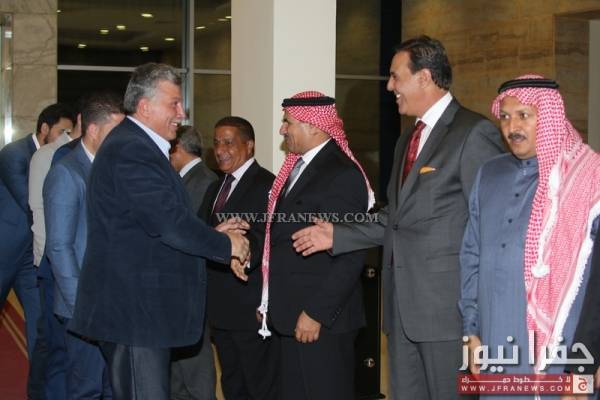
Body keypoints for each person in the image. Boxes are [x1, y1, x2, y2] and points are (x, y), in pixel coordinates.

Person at [291, 36, 504, 399]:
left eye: (395, 76)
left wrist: (480, 315)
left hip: (446, 313)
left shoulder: (473, 133)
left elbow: (491, 227)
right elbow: (396, 217)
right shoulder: (407, 139)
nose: (389, 86)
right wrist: (339, 235)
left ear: (424, 77)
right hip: (401, 311)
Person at [68, 62, 249, 400]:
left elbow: (153, 221)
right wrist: (227, 244)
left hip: (141, 312)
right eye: (174, 104)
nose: (182, 113)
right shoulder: (132, 149)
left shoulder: (138, 146)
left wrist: (212, 232)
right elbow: (167, 223)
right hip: (135, 313)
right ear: (145, 106)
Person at [459, 75, 600, 397]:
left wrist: (588, 364)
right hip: (495, 342)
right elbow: (471, 256)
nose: (512, 127)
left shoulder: (587, 180)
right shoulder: (489, 174)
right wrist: (471, 331)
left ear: (549, 118)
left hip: (564, 349)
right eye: (505, 117)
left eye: (524, 115)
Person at [257, 90, 374, 399]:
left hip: (320, 321)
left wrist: (316, 313)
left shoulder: (341, 174)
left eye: (288, 122)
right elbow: (279, 241)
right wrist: (268, 300)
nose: (282, 129)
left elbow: (351, 253)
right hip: (289, 314)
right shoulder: (298, 168)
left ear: (314, 126)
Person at [44, 91, 124, 399]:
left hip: (113, 302)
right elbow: (59, 247)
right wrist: (81, 307)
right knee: (87, 389)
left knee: (113, 387)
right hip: (83, 306)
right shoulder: (67, 172)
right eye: (115, 132)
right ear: (92, 130)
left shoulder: (112, 168)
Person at [198, 116, 277, 400]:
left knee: (259, 386)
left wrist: (244, 255)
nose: (220, 150)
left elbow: (267, 238)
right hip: (220, 309)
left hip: (250, 307)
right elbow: (201, 233)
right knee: (232, 384)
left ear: (249, 145)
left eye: (228, 143)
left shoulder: (267, 184)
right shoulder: (215, 187)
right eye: (217, 143)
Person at [0, 102, 74, 399]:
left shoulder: (59, 157)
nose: (66, 137)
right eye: (62, 131)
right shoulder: (14, 154)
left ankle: (40, 388)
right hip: (4, 252)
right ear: (45, 128)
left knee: (40, 322)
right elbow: (30, 203)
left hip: (30, 258)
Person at [27, 104, 77, 400]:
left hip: (73, 265)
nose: (64, 135)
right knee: (51, 340)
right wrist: (42, 259)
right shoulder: (47, 156)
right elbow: (38, 213)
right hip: (50, 262)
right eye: (62, 130)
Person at [168, 124, 218, 400]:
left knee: (196, 366)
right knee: (179, 363)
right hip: (180, 283)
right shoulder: (186, 179)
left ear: (177, 149)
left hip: (193, 281)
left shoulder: (203, 181)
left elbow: (195, 233)